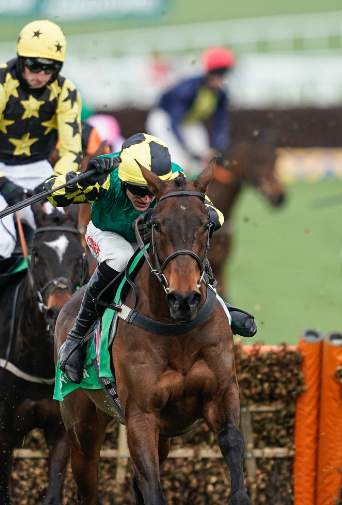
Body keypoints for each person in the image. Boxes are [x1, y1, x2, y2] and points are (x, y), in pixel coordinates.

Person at [36, 133, 257, 383]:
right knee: (121, 258)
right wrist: (88, 177)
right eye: (138, 190)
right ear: (123, 180)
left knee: (182, 249)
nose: (145, 198)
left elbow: (213, 212)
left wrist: (207, 219)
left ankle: (223, 309)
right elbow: (49, 192)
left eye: (151, 191)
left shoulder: (174, 178)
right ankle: (75, 339)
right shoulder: (108, 178)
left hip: (151, 234)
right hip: (108, 232)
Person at [0, 19, 83, 347]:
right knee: (2, 238)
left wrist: (55, 182)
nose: (41, 75)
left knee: (63, 235)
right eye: (35, 66)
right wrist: (1, 182)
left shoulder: (66, 92)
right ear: (21, 61)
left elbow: (71, 150)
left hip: (38, 168)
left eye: (50, 68)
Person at [146, 46, 234, 176]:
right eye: (217, 74)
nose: (219, 79)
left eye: (223, 74)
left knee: (204, 161)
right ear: (208, 73)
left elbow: (221, 123)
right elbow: (173, 123)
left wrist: (218, 148)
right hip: (164, 121)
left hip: (189, 122)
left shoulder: (221, 94)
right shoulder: (188, 89)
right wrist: (187, 150)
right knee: (179, 162)